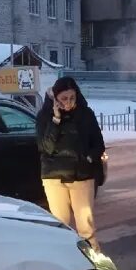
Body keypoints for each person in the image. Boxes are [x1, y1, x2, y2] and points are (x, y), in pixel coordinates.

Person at [36, 76, 106, 250]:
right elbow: (46, 147)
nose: (68, 102)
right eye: (64, 99)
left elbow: (98, 144)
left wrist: (88, 159)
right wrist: (56, 120)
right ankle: (62, 267)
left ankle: (94, 268)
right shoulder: (45, 115)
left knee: (86, 228)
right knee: (60, 226)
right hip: (54, 177)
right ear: (55, 98)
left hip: (81, 176)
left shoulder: (85, 114)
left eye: (72, 98)